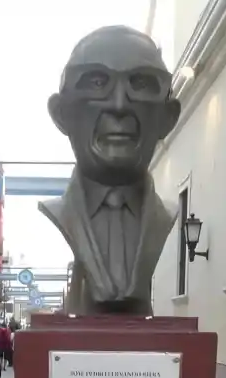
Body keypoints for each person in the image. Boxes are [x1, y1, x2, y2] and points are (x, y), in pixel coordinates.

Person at [40, 26, 181, 316]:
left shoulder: (166, 214)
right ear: (62, 114)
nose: (119, 105)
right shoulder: (59, 212)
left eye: (141, 84)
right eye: (95, 83)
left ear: (168, 118)